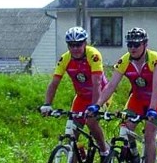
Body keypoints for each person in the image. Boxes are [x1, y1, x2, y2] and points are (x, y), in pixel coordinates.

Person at [86, 27, 157, 163]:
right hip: (137, 98)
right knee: (125, 129)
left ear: (145, 44)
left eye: (137, 44)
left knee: (149, 133)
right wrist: (97, 104)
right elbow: (111, 85)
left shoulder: (156, 60)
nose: (133, 48)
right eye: (130, 44)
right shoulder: (124, 61)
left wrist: (152, 110)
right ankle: (133, 159)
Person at [40, 26, 109, 155]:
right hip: (82, 97)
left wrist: (94, 107)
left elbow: (97, 83)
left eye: (78, 44)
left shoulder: (93, 55)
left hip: (100, 95)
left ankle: (104, 150)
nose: (75, 48)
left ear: (85, 43)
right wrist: (47, 104)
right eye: (72, 45)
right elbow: (54, 83)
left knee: (91, 122)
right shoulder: (65, 58)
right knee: (72, 133)